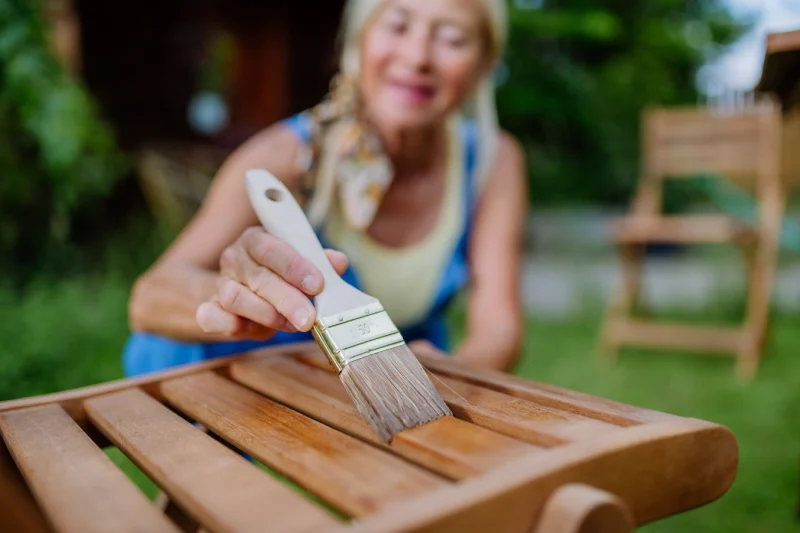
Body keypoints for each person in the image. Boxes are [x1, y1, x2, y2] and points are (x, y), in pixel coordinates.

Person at [124, 0, 527, 377]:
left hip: (385, 388)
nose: (418, 56)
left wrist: (451, 372)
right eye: (398, 26)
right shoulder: (283, 156)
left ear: (484, 65)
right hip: (253, 381)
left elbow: (499, 328)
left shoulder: (491, 161)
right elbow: (147, 298)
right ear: (359, 40)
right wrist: (228, 295)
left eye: (452, 38)